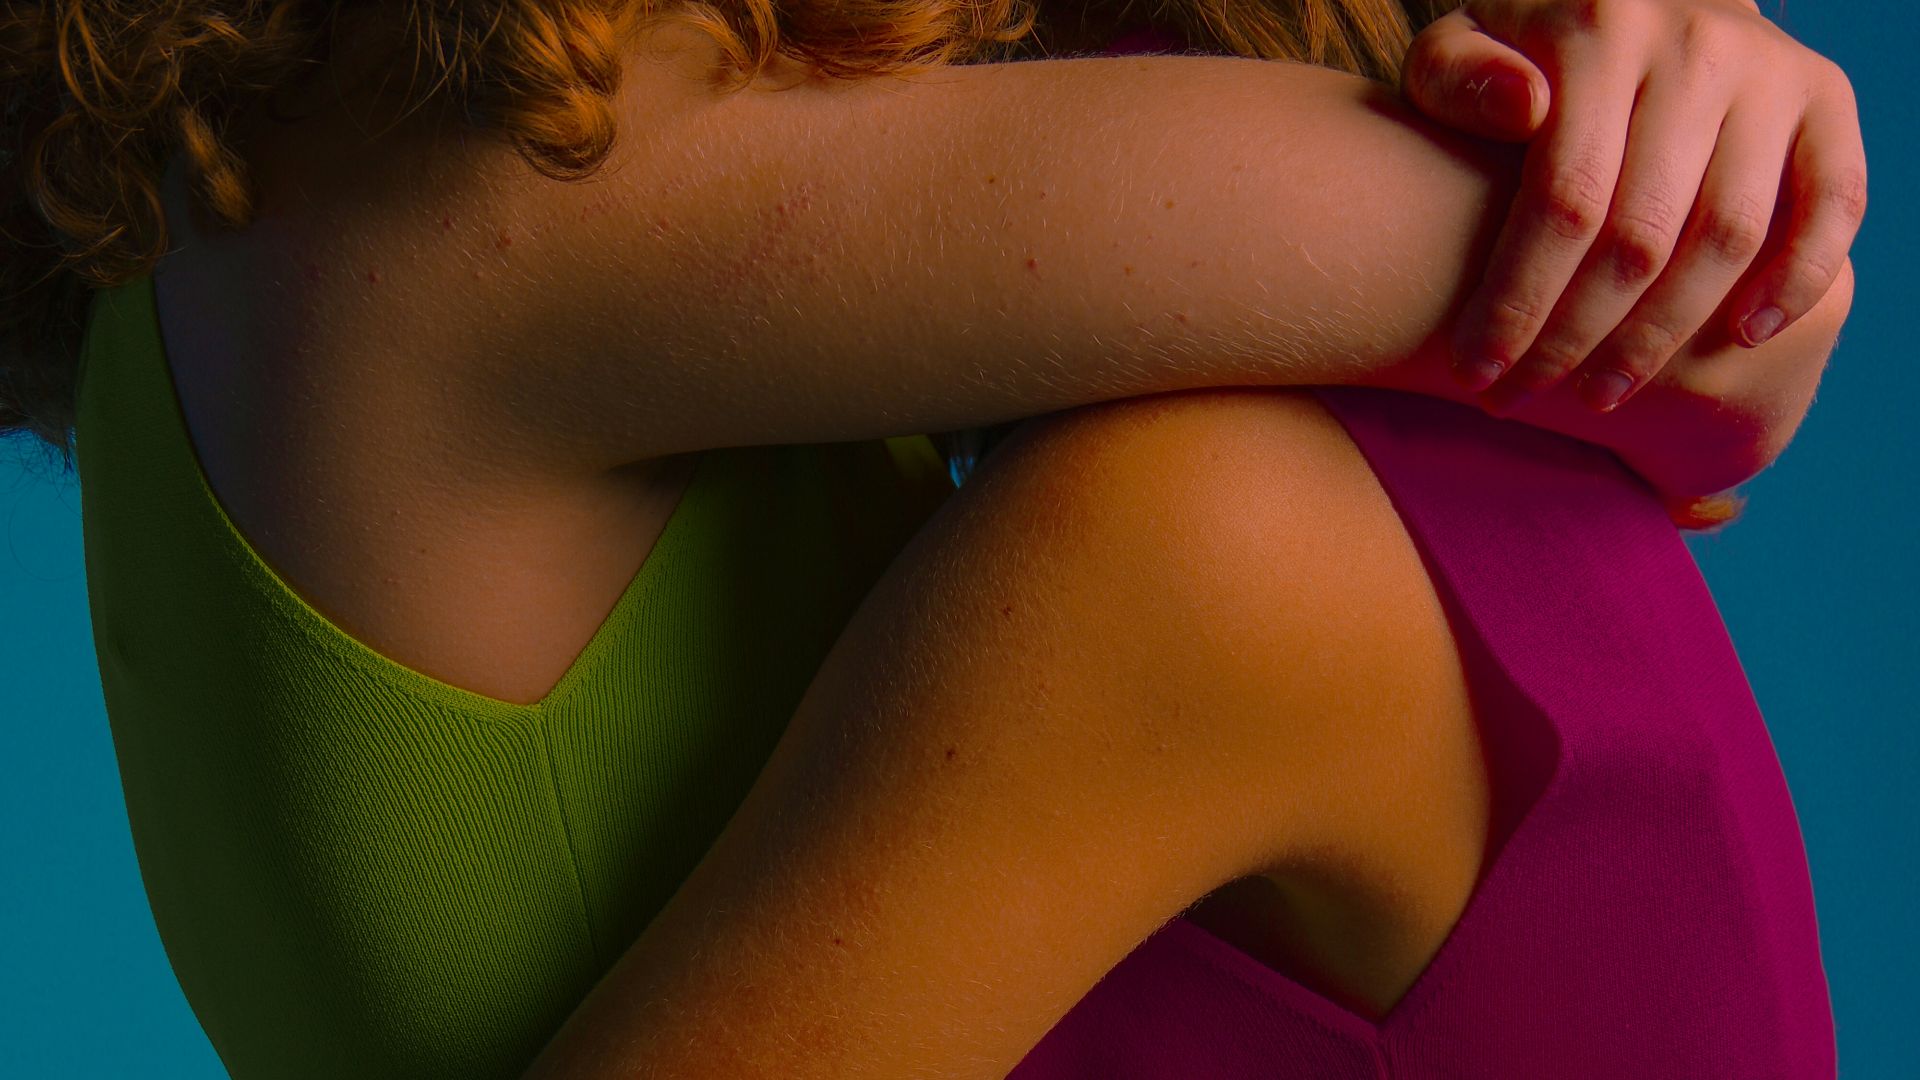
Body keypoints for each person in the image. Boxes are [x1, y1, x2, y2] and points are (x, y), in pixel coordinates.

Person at [0, 1, 1859, 1078]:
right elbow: (1661, 322)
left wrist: (1721, 125)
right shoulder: (499, 206)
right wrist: (1723, 161)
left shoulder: (235, 230)